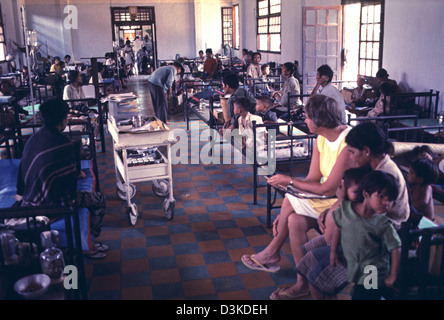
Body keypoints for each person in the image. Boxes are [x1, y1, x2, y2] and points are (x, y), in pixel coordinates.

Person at [241, 94, 352, 298]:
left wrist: (289, 182)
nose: (305, 120)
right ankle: (302, 283)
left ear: (320, 119)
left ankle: (272, 251)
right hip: (325, 198)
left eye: (308, 117)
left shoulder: (348, 142)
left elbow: (328, 189)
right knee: (293, 221)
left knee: (290, 198)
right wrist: (287, 205)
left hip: (343, 202)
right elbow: (312, 179)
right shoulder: (321, 138)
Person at [295, 166, 372, 300]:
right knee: (308, 255)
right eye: (355, 192)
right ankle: (316, 292)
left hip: (348, 251)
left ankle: (324, 293)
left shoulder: (356, 208)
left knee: (317, 269)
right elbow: (338, 226)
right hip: (332, 242)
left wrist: (333, 250)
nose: (360, 196)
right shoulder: (346, 202)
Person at [330, 170, 402, 300]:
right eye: (381, 196)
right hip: (355, 265)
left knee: (364, 296)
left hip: (373, 270)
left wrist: (393, 275)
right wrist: (333, 250)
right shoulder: (346, 210)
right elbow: (338, 227)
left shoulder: (383, 224)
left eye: (390, 199)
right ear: (365, 194)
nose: (386, 203)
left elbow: (396, 248)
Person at [345, 122, 410, 228]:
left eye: (352, 152)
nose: (351, 157)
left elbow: (376, 212)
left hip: (391, 225)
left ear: (366, 151)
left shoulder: (385, 174)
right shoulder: (377, 166)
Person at [16, 98, 78, 207]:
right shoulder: (65, 143)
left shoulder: (32, 139)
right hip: (50, 206)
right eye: (66, 117)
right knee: (98, 199)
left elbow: (21, 178)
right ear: (62, 120)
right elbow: (70, 183)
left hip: (28, 199)